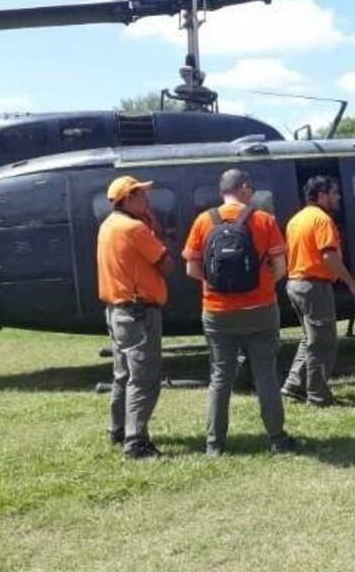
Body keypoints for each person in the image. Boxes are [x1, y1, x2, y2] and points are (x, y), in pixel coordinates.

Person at [182, 169, 297, 456]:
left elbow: (191, 268)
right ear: (244, 188)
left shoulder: (203, 221)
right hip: (260, 308)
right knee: (266, 375)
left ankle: (215, 444)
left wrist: (218, 284)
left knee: (220, 376)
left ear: (223, 191)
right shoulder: (263, 220)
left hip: (218, 311)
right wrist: (263, 283)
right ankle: (277, 439)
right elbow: (280, 267)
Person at [97, 175, 175, 460]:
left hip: (116, 311)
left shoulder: (107, 226)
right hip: (138, 312)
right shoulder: (134, 229)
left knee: (123, 375)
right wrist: (154, 231)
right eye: (141, 194)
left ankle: (118, 429)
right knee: (144, 378)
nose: (147, 199)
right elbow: (167, 266)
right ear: (128, 199)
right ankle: (136, 442)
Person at [280, 176, 355, 407]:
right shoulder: (322, 220)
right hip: (314, 287)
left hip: (295, 284)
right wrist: (352, 284)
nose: (338, 197)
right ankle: (318, 397)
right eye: (334, 192)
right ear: (321, 194)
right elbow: (329, 256)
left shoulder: (296, 220)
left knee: (309, 339)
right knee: (323, 343)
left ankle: (292, 387)